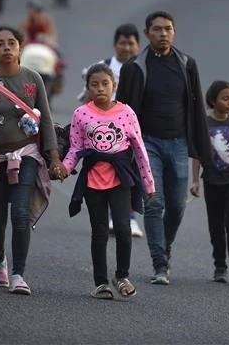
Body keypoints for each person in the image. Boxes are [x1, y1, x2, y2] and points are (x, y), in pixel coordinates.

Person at [0, 26, 67, 295]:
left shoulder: (33, 79)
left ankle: (19, 274)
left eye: (12, 43)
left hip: (27, 155)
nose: (7, 48)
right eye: (0, 44)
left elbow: (45, 117)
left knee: (20, 214)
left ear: (20, 48)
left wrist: (54, 158)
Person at [116, 11, 211, 285]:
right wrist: (122, 151)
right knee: (154, 202)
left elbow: (197, 108)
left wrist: (202, 151)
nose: (163, 34)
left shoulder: (186, 64)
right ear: (147, 33)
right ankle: (160, 263)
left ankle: (164, 248)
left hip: (179, 142)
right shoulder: (135, 68)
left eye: (168, 29)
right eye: (157, 30)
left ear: (174, 31)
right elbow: (122, 111)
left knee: (178, 206)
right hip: (148, 144)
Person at [63, 63, 154, 299]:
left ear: (114, 85)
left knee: (123, 229)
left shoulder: (127, 113)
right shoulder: (81, 114)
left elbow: (139, 149)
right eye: (95, 85)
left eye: (105, 84)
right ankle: (101, 283)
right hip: (93, 180)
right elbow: (75, 148)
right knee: (100, 231)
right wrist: (63, 169)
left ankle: (122, 276)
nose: (100, 89)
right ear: (87, 87)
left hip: (120, 179)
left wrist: (148, 183)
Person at [77, 24, 143, 238]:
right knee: (101, 172)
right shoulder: (102, 67)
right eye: (122, 43)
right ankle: (106, 217)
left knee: (129, 174)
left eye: (131, 43)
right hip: (101, 132)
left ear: (137, 46)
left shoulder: (142, 68)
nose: (126, 47)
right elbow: (87, 99)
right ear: (115, 45)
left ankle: (129, 218)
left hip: (129, 131)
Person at [190, 81, 229, 285]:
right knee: (215, 223)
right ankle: (220, 265)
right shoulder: (205, 124)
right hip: (211, 179)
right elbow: (198, 155)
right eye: (225, 98)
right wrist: (195, 181)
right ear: (213, 100)